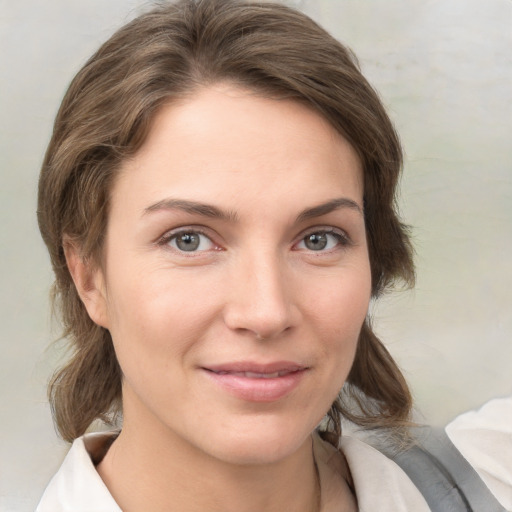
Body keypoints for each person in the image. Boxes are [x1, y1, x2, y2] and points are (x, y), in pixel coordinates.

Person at [35, 1, 511, 511]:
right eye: (188, 240)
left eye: (318, 239)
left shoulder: (491, 481)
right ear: (89, 277)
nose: (266, 312)